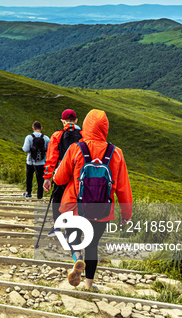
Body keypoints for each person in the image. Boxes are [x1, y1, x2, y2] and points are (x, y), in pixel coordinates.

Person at [54, 109, 132, 290]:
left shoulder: (76, 148)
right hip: (102, 210)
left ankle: (77, 259)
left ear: (87, 126)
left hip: (75, 206)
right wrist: (126, 215)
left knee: (73, 237)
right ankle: (89, 285)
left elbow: (59, 178)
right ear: (105, 128)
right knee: (92, 245)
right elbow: (123, 188)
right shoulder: (116, 153)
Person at [43, 109, 83, 236]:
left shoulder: (57, 136)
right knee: (76, 200)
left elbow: (51, 158)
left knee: (58, 198)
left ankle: (57, 226)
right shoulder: (84, 135)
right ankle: (72, 230)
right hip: (78, 174)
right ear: (76, 120)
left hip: (61, 172)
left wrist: (47, 177)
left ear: (63, 121)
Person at [22, 121, 49, 199]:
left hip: (30, 162)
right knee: (40, 179)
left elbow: (25, 149)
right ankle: (39, 195)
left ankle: (29, 193)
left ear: (33, 128)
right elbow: (49, 149)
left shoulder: (29, 137)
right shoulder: (46, 138)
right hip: (41, 162)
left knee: (29, 178)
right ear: (41, 128)